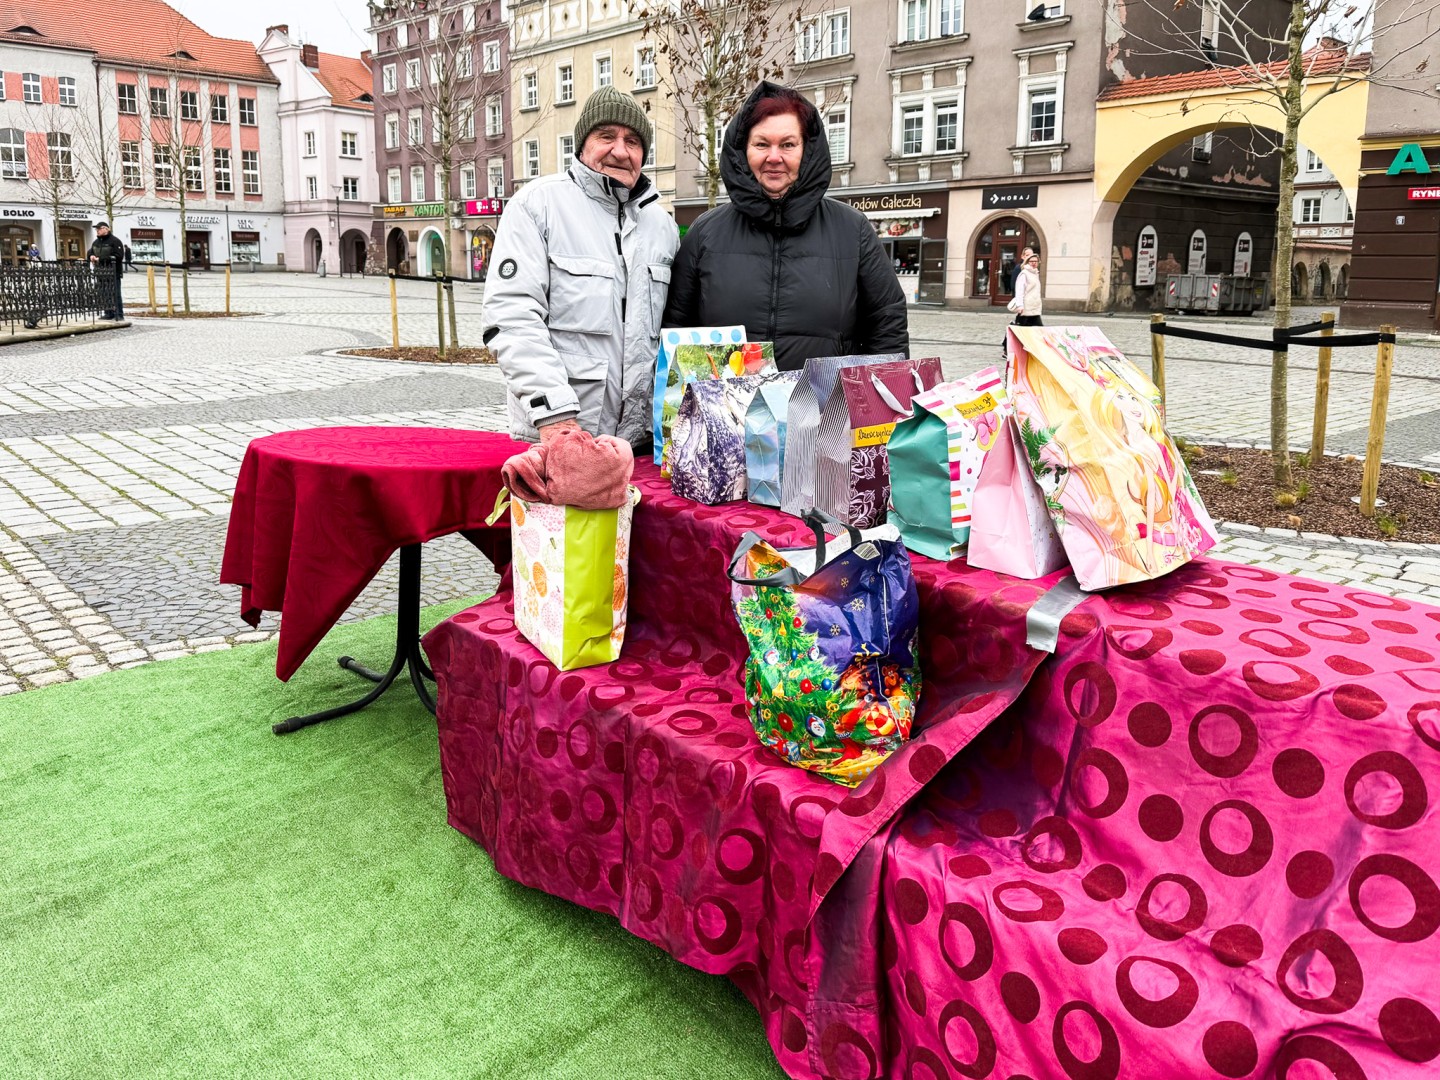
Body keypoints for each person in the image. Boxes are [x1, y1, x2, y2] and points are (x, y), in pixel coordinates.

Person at [662, 82, 907, 370]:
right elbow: (676, 326)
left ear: (807, 150)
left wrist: (883, 393)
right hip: (728, 399)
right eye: (761, 144)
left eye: (788, 144)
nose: (774, 157)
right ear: (743, 150)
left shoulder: (853, 230)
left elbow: (887, 328)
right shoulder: (705, 232)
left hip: (827, 399)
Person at [482, 85, 677, 447]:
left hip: (637, 446)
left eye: (633, 141)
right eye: (606, 136)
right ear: (582, 145)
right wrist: (556, 417)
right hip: (558, 439)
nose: (620, 150)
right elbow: (512, 317)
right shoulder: (537, 206)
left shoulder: (662, 227)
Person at [88, 222, 126, 321]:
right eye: (96, 229)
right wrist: (91, 256)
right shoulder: (96, 242)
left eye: (99, 229)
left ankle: (119, 314)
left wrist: (100, 259)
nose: (97, 231)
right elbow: (91, 251)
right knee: (104, 293)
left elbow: (119, 256)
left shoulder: (115, 241)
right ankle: (108, 312)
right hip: (100, 272)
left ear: (106, 229)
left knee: (115, 293)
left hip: (113, 271)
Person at [1008, 251, 1043, 327]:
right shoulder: (1024, 273)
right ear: (1027, 262)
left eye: (1036, 261)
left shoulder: (1035, 273)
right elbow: (1019, 290)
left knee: (1033, 328)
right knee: (1023, 328)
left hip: (1034, 306)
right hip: (1026, 307)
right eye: (1031, 261)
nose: (1034, 263)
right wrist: (1020, 305)